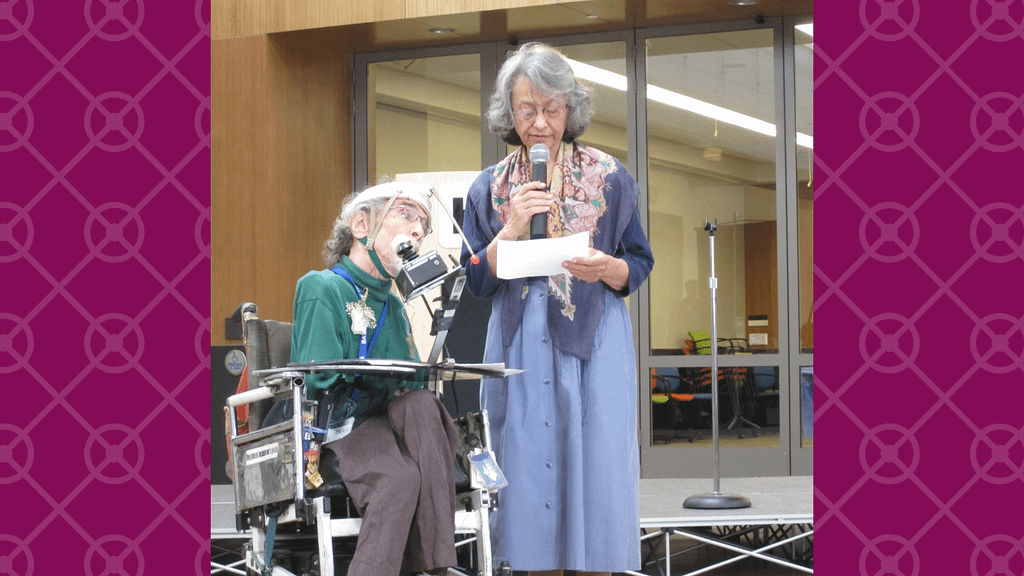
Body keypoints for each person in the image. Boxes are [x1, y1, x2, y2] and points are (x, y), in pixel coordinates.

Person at [459, 43, 655, 575]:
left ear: (570, 110)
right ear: (510, 112)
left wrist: (607, 269)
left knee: (596, 470)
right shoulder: (488, 186)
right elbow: (475, 279)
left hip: (594, 339)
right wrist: (512, 227)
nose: (541, 123)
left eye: (552, 109)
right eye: (528, 110)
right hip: (519, 343)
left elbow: (638, 262)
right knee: (525, 474)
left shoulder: (612, 177)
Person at [289, 180, 459, 576]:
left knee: (422, 406)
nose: (417, 229)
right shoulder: (322, 287)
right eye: (406, 214)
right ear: (361, 225)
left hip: (387, 422)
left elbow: (412, 389)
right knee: (398, 479)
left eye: (423, 224)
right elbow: (318, 377)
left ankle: (437, 566)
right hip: (339, 424)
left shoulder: (395, 307)